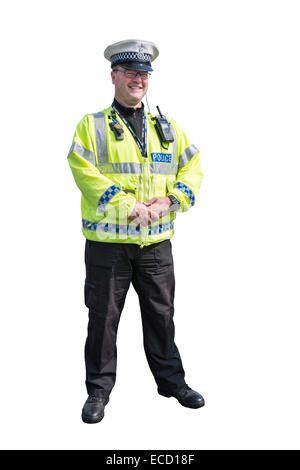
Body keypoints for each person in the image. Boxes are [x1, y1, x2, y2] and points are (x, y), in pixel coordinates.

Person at [67, 39, 205, 424]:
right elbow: (83, 170)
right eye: (129, 72)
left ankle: (172, 383)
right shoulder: (92, 125)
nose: (137, 79)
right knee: (103, 319)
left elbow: (193, 166)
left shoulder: (168, 126)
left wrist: (171, 200)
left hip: (156, 245)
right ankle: (98, 391)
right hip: (108, 246)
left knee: (162, 316)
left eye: (143, 74)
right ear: (114, 75)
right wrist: (128, 206)